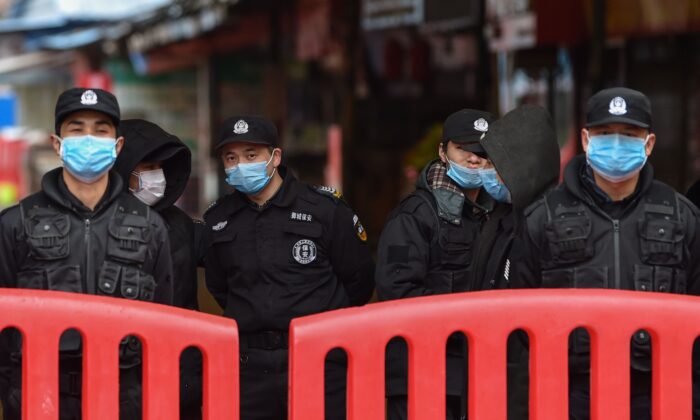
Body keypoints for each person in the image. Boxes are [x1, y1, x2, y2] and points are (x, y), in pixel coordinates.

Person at [511, 87, 700, 419]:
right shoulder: (543, 216)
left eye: (628, 135)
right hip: (570, 394)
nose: (616, 144)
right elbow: (515, 315)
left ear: (649, 143)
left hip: (660, 392)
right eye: (604, 134)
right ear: (585, 140)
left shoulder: (682, 217)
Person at [0, 88, 174, 419]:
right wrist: (13, 394)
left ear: (117, 145)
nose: (89, 139)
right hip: (40, 400)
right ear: (57, 143)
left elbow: (164, 320)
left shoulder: (150, 226)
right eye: (77, 129)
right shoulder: (15, 223)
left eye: (101, 129)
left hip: (123, 402)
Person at [203, 116, 375, 420]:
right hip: (249, 368)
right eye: (231, 157)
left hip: (318, 360)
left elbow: (359, 280)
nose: (240, 164)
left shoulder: (323, 210)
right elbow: (220, 286)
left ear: (275, 157)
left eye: (251, 155)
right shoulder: (219, 219)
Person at [375, 109, 497, 420]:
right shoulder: (414, 216)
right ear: (443, 151)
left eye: (483, 153)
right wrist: (464, 321)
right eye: (464, 149)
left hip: (483, 373)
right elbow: (396, 291)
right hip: (423, 374)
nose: (474, 160)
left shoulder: (498, 214)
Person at [113, 119, 204, 419]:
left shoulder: (182, 226)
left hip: (181, 380)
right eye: (147, 165)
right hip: (119, 384)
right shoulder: (97, 225)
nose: (156, 176)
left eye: (160, 166)